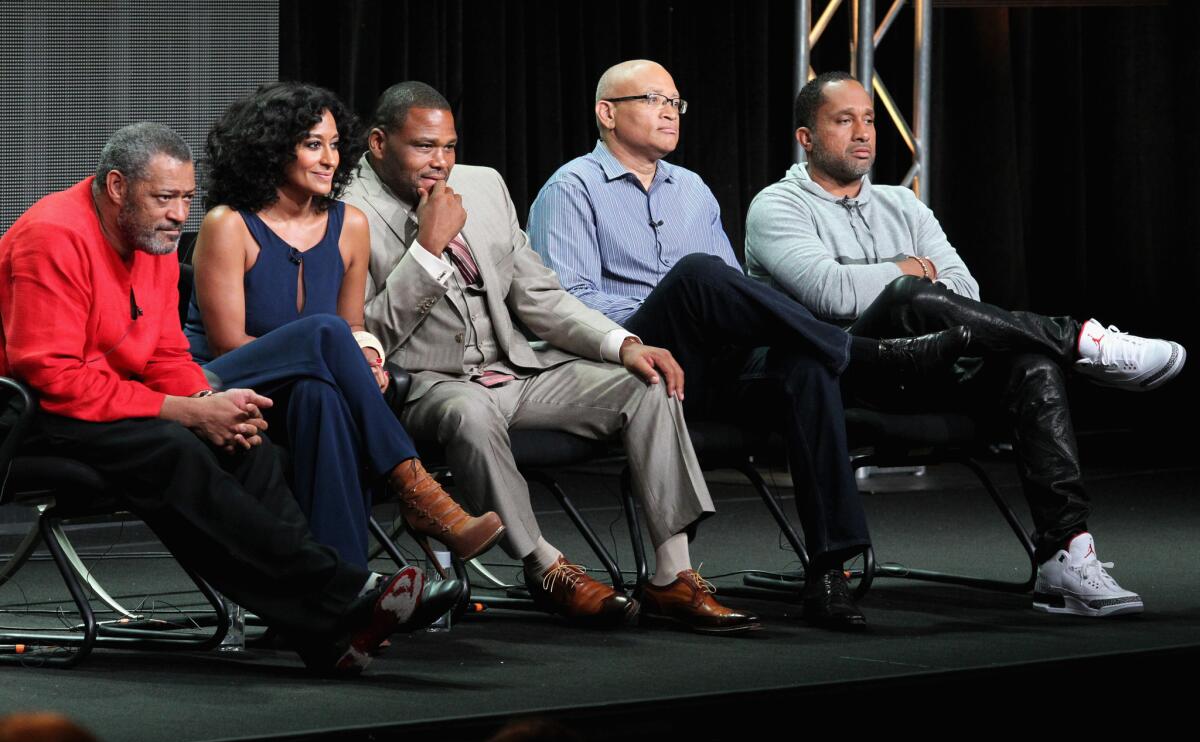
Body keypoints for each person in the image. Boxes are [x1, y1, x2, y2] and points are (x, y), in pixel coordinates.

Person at [0, 122, 462, 672]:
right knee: (176, 450)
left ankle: (324, 634)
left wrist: (207, 403)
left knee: (250, 446)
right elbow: (50, 375)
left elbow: (165, 353)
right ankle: (344, 590)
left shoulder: (153, 238)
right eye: (164, 198)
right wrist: (184, 410)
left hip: (118, 402)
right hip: (40, 412)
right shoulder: (53, 235)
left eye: (187, 199)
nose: (178, 214)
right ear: (117, 187)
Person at [528, 59, 965, 629]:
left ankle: (830, 570)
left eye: (675, 102)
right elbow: (568, 309)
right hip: (630, 363)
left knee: (804, 365)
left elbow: (735, 302)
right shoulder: (570, 189)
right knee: (696, 275)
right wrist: (671, 308)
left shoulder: (692, 189)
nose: (669, 112)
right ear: (606, 114)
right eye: (653, 100)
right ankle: (858, 352)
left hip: (708, 368)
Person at [744, 72, 1187, 617]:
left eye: (869, 119)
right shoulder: (776, 206)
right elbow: (831, 294)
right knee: (911, 292)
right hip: (843, 372)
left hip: (931, 368)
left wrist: (908, 281)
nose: (862, 132)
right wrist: (908, 274)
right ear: (806, 137)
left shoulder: (901, 204)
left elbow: (966, 290)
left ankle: (1066, 554)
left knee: (1031, 366)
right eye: (843, 120)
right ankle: (1078, 340)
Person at [342, 81, 758, 633]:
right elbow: (364, 335)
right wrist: (428, 251)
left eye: (448, 147)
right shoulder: (346, 208)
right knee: (470, 412)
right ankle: (544, 566)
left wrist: (623, 343)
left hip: (516, 369)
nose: (439, 163)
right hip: (427, 383)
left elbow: (539, 297)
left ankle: (671, 576)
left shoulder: (483, 185)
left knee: (646, 384)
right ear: (378, 143)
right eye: (423, 147)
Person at [184, 82, 504, 569]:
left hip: (304, 387)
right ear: (272, 150)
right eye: (313, 144)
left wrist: (368, 358)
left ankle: (343, 592)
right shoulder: (229, 224)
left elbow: (354, 326)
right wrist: (343, 352)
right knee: (324, 334)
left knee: (324, 396)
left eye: (335, 145)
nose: (330, 158)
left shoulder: (349, 223)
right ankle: (418, 490)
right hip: (226, 381)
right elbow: (228, 345)